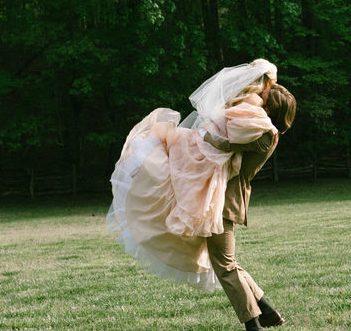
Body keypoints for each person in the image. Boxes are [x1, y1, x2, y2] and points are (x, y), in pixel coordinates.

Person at [106, 60, 279, 293]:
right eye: (273, 83)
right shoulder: (255, 106)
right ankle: (258, 318)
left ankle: (259, 316)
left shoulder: (235, 99)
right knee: (223, 258)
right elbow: (235, 140)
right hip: (211, 162)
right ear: (267, 82)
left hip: (201, 150)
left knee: (219, 255)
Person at [203, 83, 297, 331]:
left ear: (270, 108)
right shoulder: (263, 129)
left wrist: (205, 134)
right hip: (224, 195)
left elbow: (224, 142)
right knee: (228, 261)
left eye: (262, 97)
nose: (254, 99)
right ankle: (266, 312)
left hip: (225, 198)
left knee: (225, 266)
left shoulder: (263, 133)